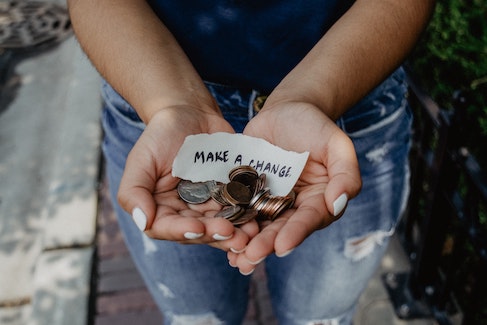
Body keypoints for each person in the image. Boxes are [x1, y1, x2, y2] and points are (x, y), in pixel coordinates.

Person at [68, 1, 435, 324]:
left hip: (348, 100)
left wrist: (309, 98)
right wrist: (171, 106)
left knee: (320, 321)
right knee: (196, 320)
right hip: (155, 106)